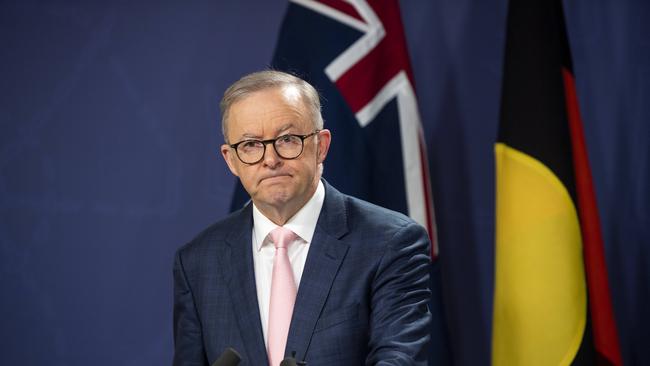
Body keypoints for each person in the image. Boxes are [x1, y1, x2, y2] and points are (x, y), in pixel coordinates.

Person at [173, 70, 432, 365]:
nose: (270, 160)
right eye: (250, 145)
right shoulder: (198, 262)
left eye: (287, 139)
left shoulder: (390, 243)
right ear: (231, 159)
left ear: (321, 145)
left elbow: (399, 359)